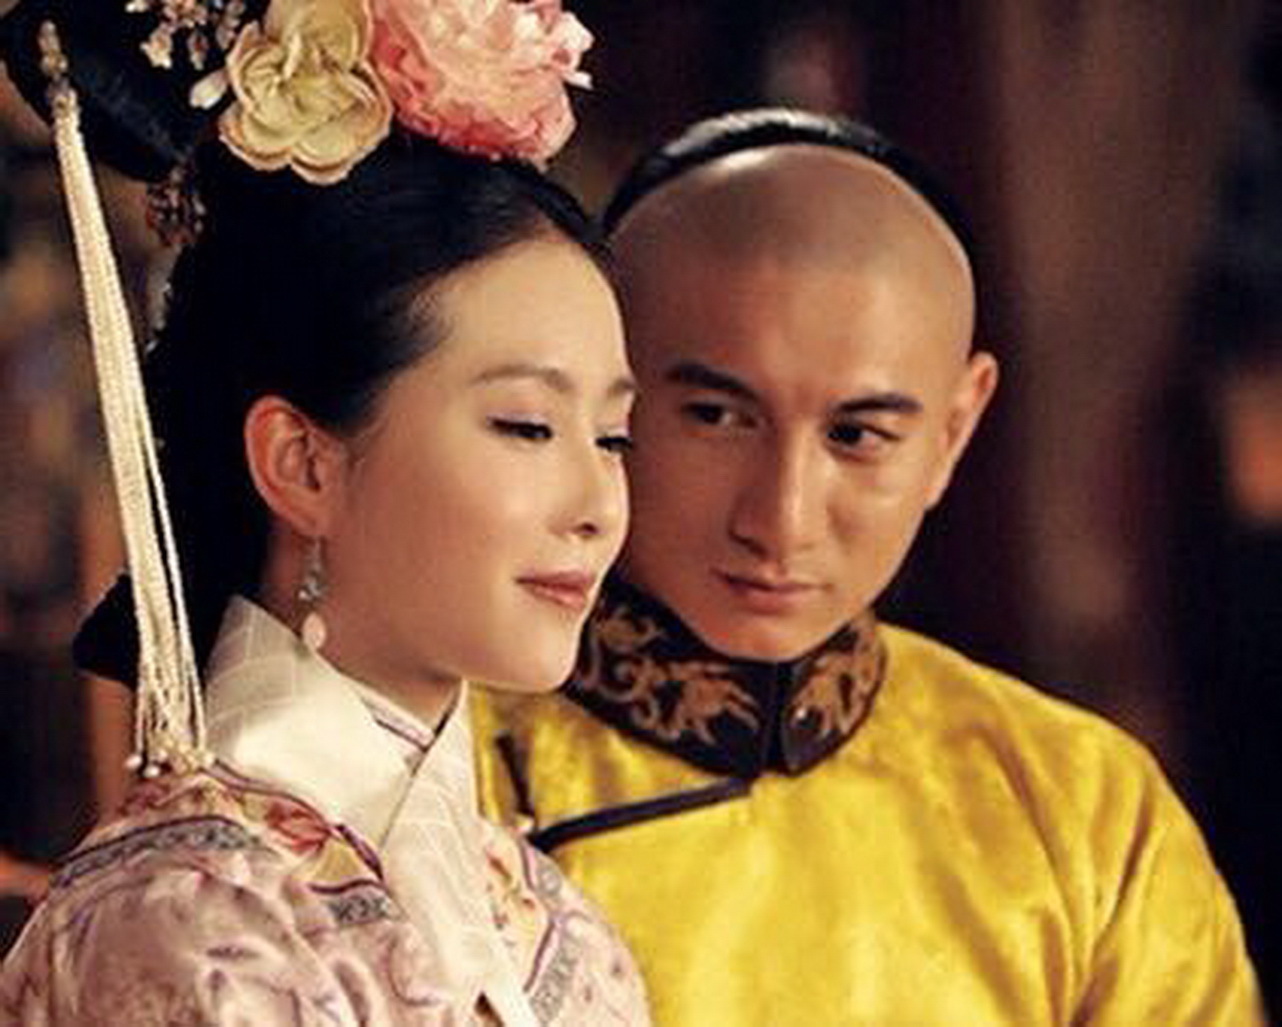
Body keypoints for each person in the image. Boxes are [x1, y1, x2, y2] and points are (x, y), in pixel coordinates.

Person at [472, 109, 1264, 1024]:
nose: (782, 520)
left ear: (954, 431)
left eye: (857, 435)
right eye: (717, 417)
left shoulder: (1080, 808)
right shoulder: (438, 767)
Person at [0, 0, 649, 1023]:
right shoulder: (187, 924)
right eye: (527, 426)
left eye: (611, 437)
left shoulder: (560, 930)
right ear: (303, 463)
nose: (596, 505)